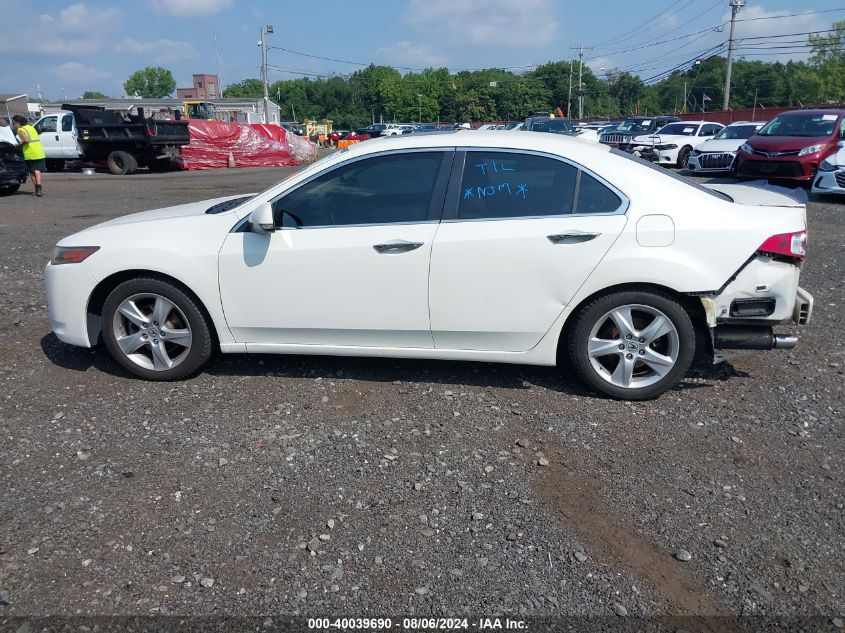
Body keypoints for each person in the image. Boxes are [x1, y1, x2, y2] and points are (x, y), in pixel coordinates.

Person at [12, 115, 45, 196]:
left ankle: (37, 190)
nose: (14, 125)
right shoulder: (31, 127)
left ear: (18, 123)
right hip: (39, 151)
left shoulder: (20, 129)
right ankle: (39, 189)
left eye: (14, 123)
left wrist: (18, 145)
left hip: (30, 152)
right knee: (38, 171)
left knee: (32, 172)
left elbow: (26, 140)